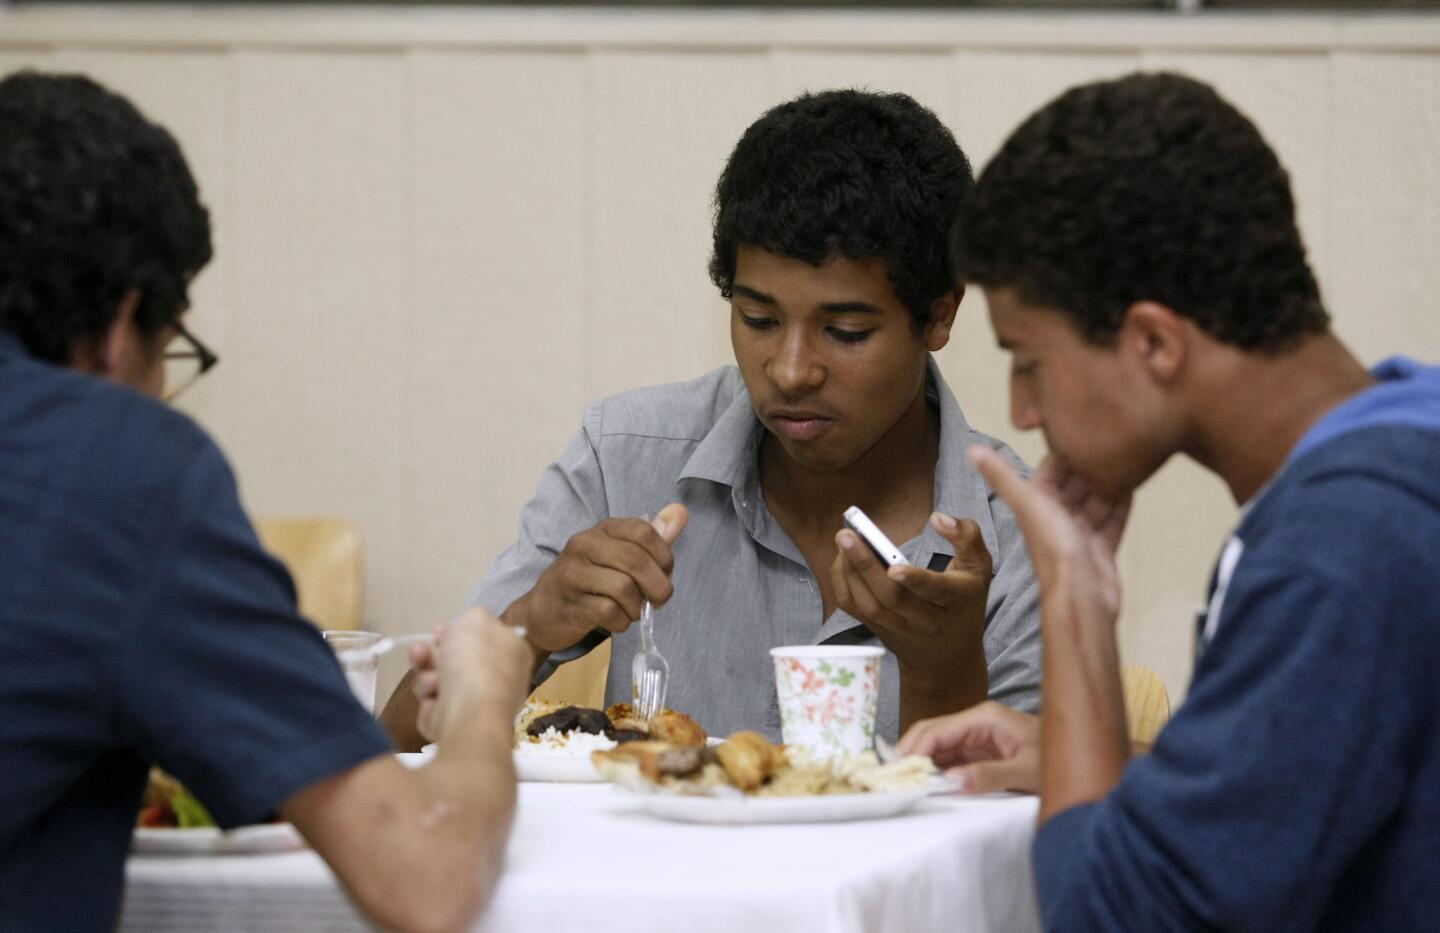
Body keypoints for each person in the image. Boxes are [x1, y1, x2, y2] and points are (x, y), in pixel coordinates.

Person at [900, 72, 1440, 930]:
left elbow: (1117, 919)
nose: (1021, 410)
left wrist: (1073, 596)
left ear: (1153, 340)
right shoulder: (1408, 440)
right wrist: (1103, 759)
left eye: (1028, 358)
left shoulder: (1341, 545)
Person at [0, 71, 530, 932]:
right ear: (117, 328)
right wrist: (482, 706)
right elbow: (427, 876)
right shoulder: (116, 467)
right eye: (168, 355)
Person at [383, 89, 1041, 748]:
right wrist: (527, 627)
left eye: (843, 330)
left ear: (940, 315)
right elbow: (394, 749)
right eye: (758, 319)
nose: (790, 369)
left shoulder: (1017, 530)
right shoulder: (628, 457)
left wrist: (943, 664)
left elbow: (1022, 835)